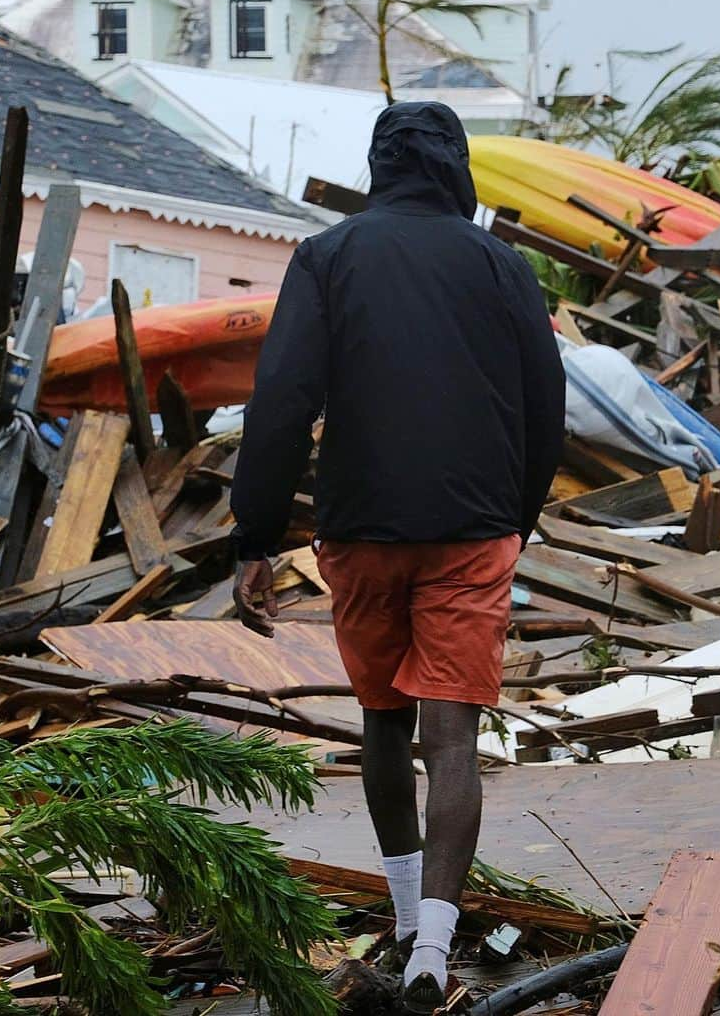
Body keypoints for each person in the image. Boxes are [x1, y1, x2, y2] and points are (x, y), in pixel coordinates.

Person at [230, 101, 565, 1014]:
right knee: (452, 739)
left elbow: (281, 400)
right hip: (473, 529)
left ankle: (409, 915)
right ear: (457, 164)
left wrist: (254, 534)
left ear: (379, 163)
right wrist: (515, 521)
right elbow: (546, 408)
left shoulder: (328, 256)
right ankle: (434, 953)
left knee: (384, 720)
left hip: (363, 530)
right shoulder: (503, 265)